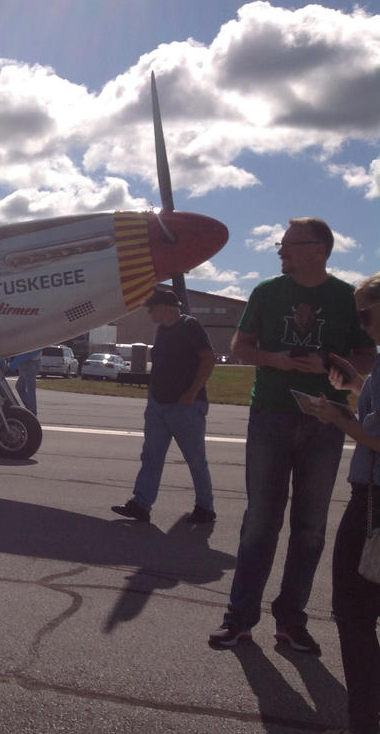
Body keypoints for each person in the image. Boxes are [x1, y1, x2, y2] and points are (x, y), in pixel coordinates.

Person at [209, 218, 376, 654]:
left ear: (317, 249)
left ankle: (291, 621)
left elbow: (367, 354)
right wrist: (277, 360)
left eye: (287, 245)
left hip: (326, 421)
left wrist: (331, 368)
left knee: (310, 527)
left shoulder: (345, 298)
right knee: (260, 521)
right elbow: (240, 347)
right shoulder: (267, 292)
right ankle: (239, 619)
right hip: (270, 415)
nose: (279, 251)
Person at [308, 272, 380, 734]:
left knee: (353, 615)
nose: (362, 324)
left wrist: (337, 418)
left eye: (365, 313)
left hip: (374, 503)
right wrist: (356, 386)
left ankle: (362, 726)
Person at [111, 288, 216, 524]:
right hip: (158, 406)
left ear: (165, 308)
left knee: (196, 459)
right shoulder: (162, 331)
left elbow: (208, 359)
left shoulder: (191, 326)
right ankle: (141, 504)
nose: (149, 312)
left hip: (185, 407)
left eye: (152, 308)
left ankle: (205, 508)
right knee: (151, 456)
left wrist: (192, 393)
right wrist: (152, 398)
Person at [8, 350, 41, 415]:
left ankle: (32, 411)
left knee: (30, 390)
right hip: (30, 362)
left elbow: (30, 351)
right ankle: (30, 409)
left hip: (29, 363)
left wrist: (15, 362)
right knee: (20, 387)